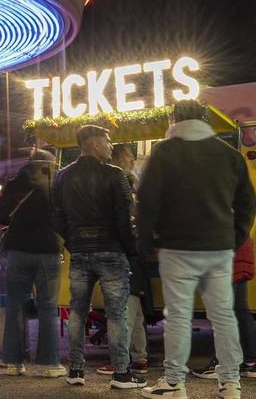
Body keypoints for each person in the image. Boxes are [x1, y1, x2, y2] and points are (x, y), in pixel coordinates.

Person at [138, 100, 256, 399]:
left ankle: (175, 383)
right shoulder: (229, 155)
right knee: (223, 315)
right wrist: (234, 237)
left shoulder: (164, 152)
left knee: (178, 315)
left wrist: (147, 241)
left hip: (176, 247)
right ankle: (231, 384)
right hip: (218, 247)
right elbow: (248, 204)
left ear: (174, 118)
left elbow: (147, 203)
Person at [51, 125, 147, 389]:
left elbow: (57, 217)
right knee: (116, 314)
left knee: (78, 312)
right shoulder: (114, 175)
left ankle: (76, 370)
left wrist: (74, 243)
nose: (111, 146)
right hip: (112, 251)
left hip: (80, 252)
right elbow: (125, 219)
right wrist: (131, 249)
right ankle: (121, 374)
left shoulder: (62, 176)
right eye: (107, 141)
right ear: (94, 144)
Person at [0, 149, 65, 377]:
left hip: (19, 250)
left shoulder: (17, 183)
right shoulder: (59, 183)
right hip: (49, 251)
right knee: (48, 307)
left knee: (15, 305)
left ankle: (12, 361)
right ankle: (49, 364)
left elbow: (0, 215)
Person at [98, 143, 151, 376]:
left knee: (124, 309)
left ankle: (121, 360)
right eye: (130, 156)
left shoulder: (119, 184)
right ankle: (140, 358)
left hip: (124, 251)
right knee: (135, 308)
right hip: (137, 252)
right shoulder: (133, 186)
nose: (133, 159)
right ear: (120, 157)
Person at [191, 235, 256, 380]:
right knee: (241, 310)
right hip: (241, 254)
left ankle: (222, 363)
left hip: (226, 257)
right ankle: (250, 364)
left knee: (223, 312)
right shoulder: (241, 214)